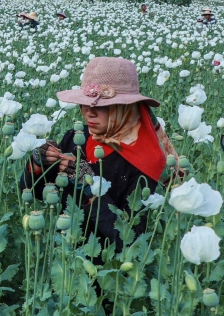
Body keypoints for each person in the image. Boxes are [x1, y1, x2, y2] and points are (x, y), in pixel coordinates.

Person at [20, 57, 177, 247]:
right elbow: (35, 195)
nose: (88, 113)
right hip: (64, 256)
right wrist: (38, 165)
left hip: (106, 268)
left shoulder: (146, 161)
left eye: (100, 106)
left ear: (125, 108)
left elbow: (130, 240)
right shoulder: (75, 138)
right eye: (84, 104)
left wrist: (92, 189)